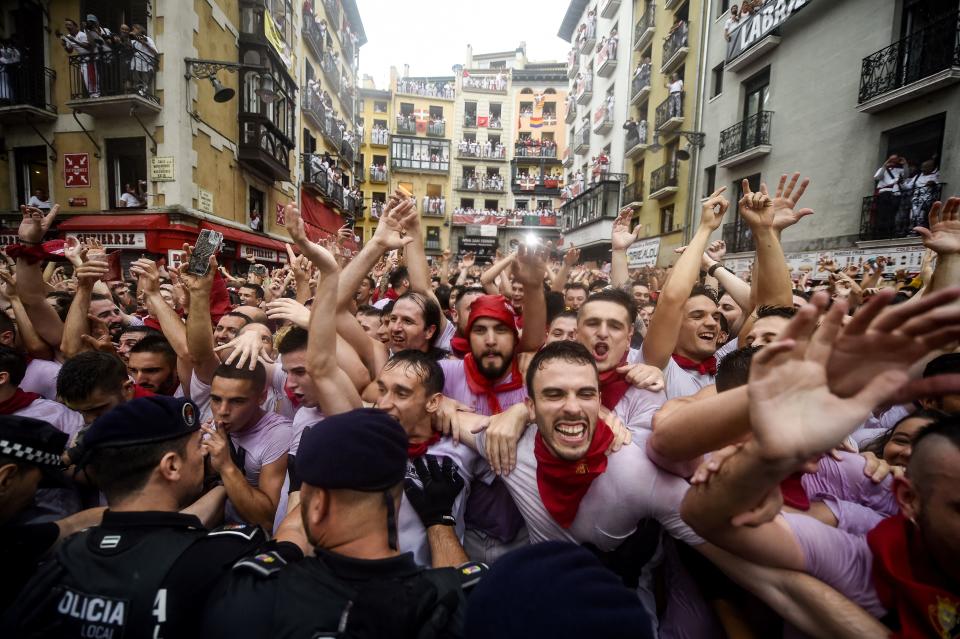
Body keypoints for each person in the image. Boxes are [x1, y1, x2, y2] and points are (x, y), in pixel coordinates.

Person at [4, 396, 274, 638]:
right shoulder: (222, 558)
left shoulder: (61, 561)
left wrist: (222, 484)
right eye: (197, 446)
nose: (205, 452)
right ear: (171, 465)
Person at [201, 408, 480, 638]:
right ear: (397, 498)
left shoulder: (259, 596)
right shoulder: (457, 601)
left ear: (318, 505)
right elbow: (461, 589)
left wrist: (301, 502)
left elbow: (289, 542)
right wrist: (439, 522)